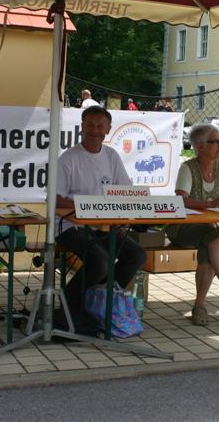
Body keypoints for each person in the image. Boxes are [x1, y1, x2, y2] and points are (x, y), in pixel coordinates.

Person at [56, 106, 146, 315]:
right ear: (82, 127)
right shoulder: (68, 159)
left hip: (103, 227)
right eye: (90, 125)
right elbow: (57, 200)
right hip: (69, 227)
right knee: (100, 261)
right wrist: (87, 205)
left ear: (108, 128)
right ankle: (69, 307)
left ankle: (101, 298)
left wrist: (122, 218)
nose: (95, 130)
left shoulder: (112, 156)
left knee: (137, 255)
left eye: (100, 126)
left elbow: (125, 192)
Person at [165, 123, 219, 325]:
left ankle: (200, 306)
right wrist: (210, 204)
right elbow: (181, 200)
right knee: (212, 236)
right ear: (200, 146)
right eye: (215, 141)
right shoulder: (188, 167)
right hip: (183, 228)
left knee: (211, 241)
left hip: (212, 228)